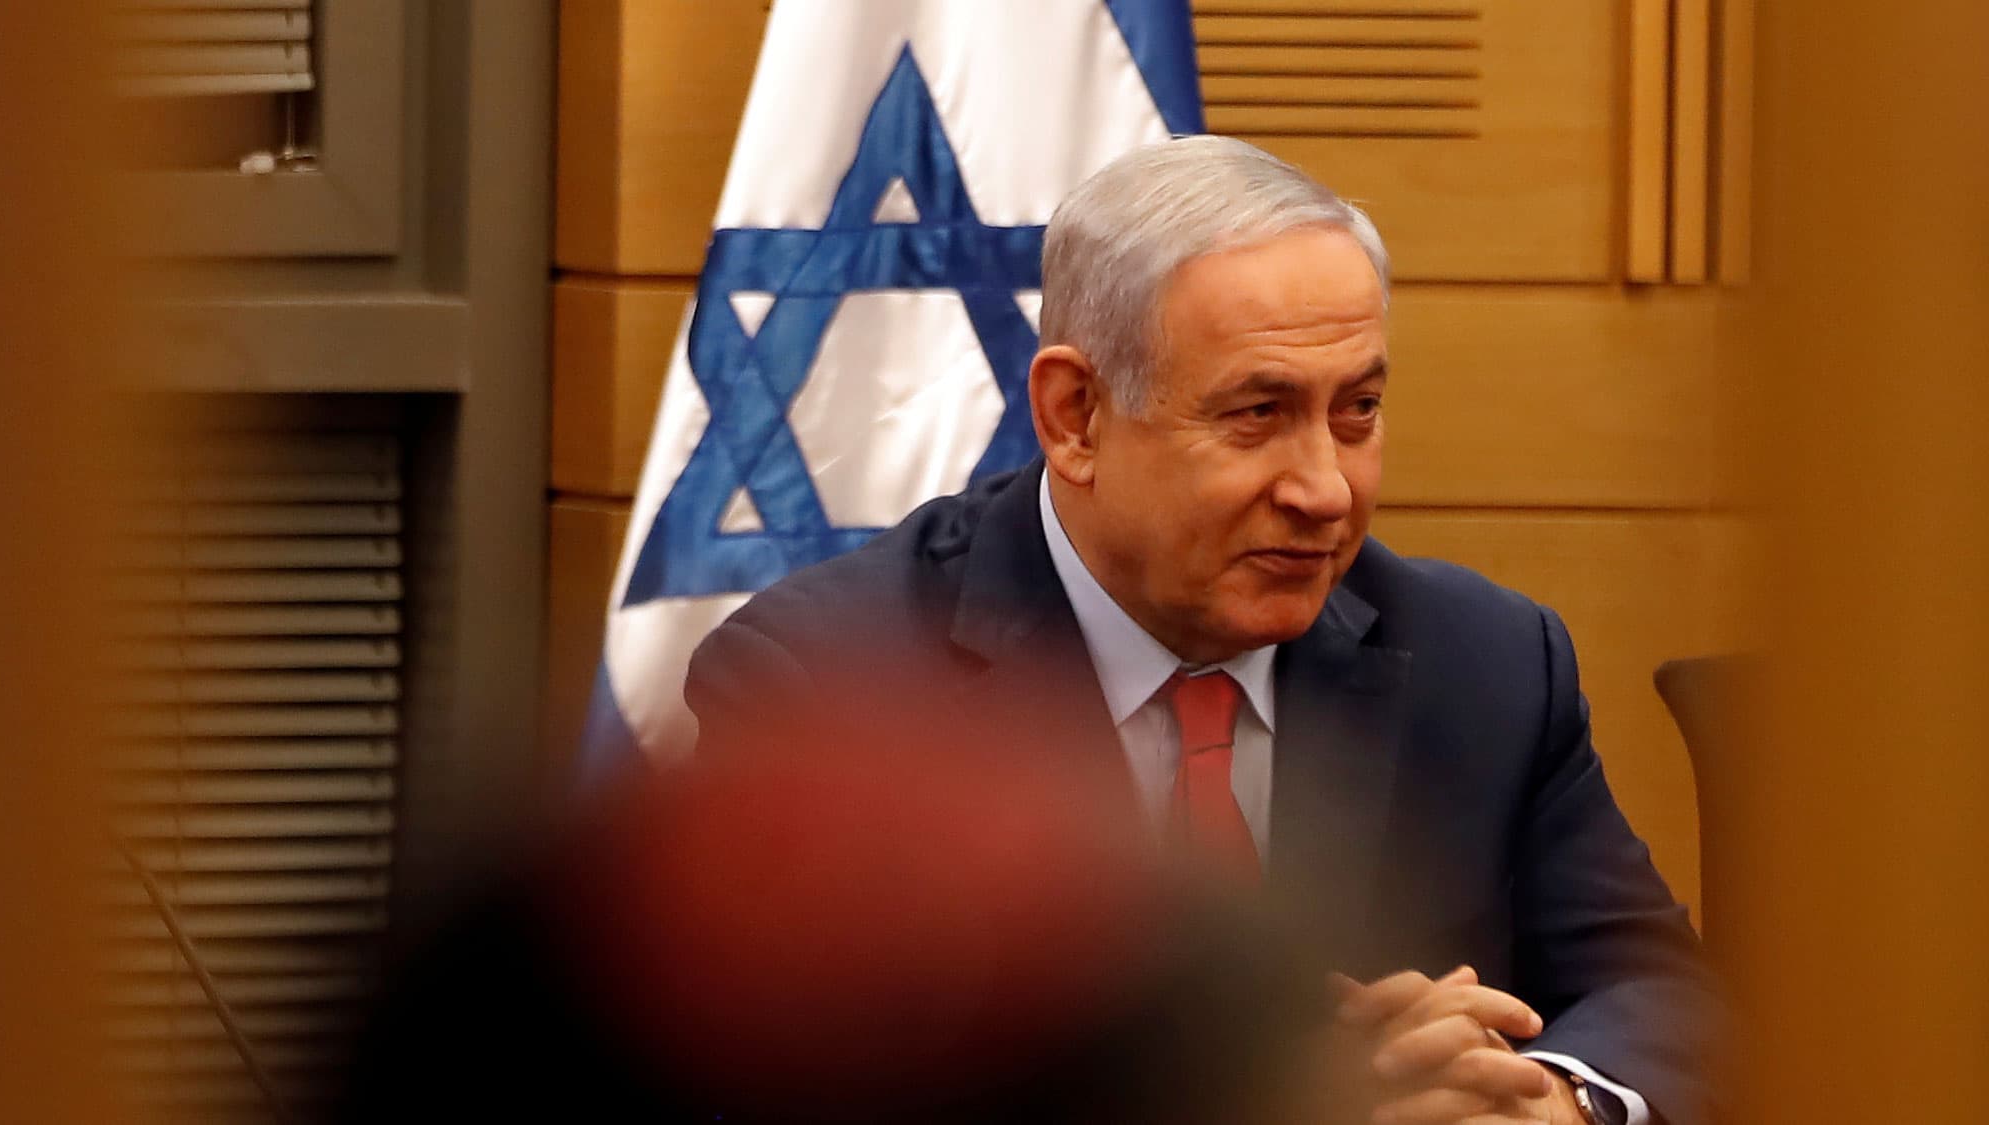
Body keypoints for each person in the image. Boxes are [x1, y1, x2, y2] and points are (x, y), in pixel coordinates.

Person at [685, 135, 1718, 1125]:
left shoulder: (1484, 662)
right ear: (1074, 417)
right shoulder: (831, 687)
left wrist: (1548, 1100)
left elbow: (1664, 997)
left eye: (1354, 410)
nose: (1322, 489)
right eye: (1255, 414)